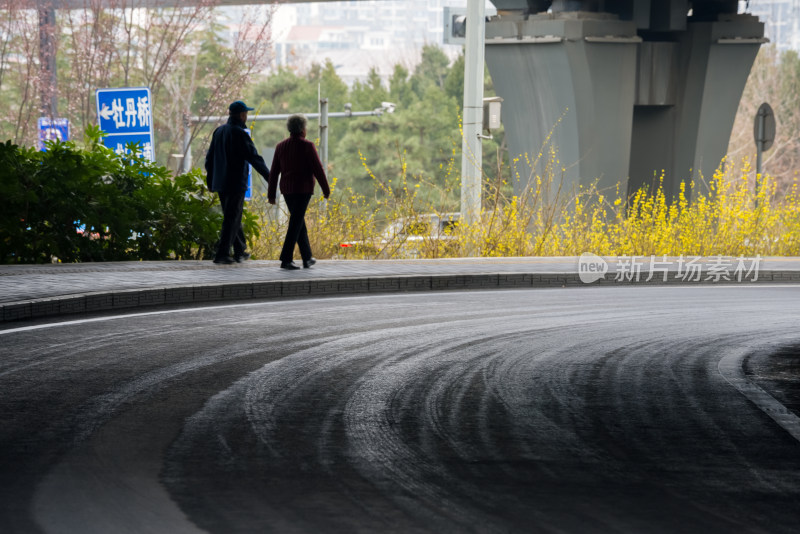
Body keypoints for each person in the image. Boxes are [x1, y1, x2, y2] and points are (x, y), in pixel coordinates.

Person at [205, 100, 270, 264]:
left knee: (233, 215)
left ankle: (240, 250)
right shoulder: (239, 133)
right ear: (242, 115)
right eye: (246, 114)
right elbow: (254, 157)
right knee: (231, 217)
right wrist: (270, 177)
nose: (246, 116)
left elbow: (209, 159)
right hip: (235, 183)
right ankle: (222, 253)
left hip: (220, 182)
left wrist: (210, 181)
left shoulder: (218, 131)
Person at [268, 114, 330, 270]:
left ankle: (307, 257)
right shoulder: (307, 146)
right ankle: (286, 259)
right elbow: (318, 169)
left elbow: (274, 172)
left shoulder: (280, 146)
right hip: (303, 190)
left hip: (287, 191)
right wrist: (325, 189)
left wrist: (271, 194)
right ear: (303, 129)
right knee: (295, 223)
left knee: (298, 221)